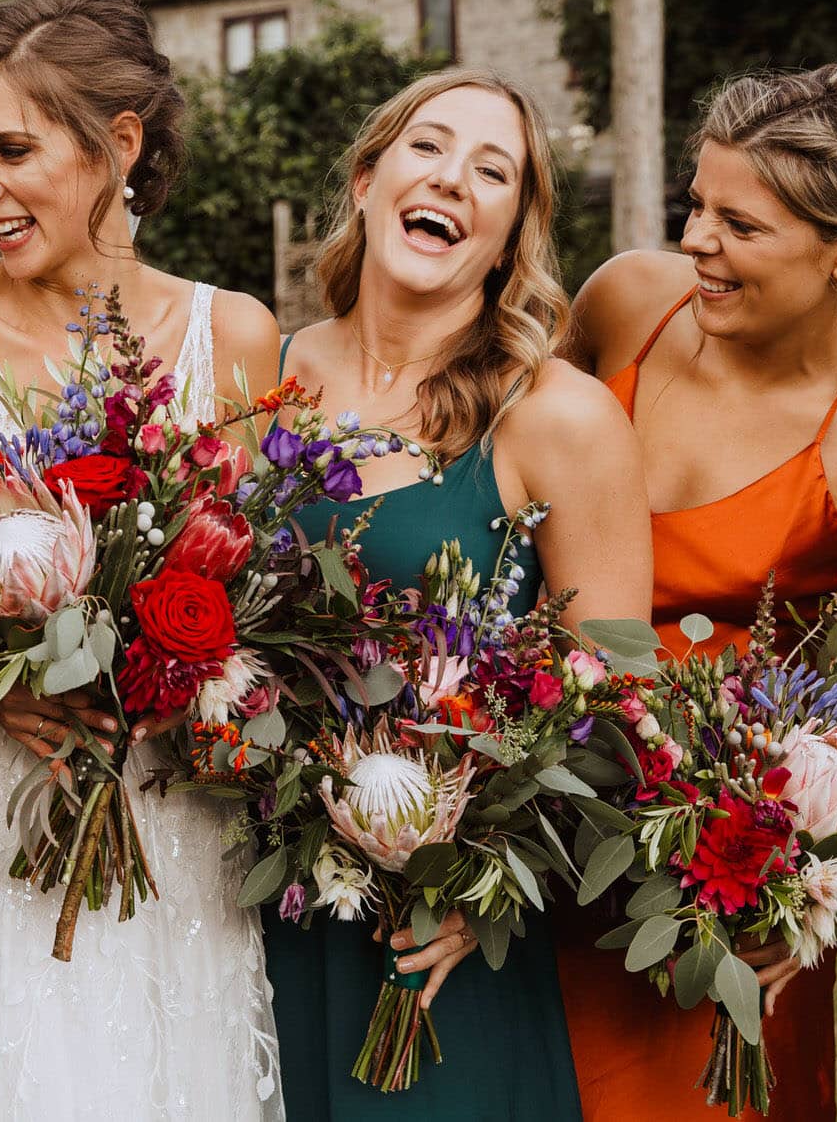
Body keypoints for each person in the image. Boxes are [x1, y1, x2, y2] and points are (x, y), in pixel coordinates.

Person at [0, 0, 287, 1120]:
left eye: (10, 150)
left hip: (169, 817)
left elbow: (250, 574)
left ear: (118, 143)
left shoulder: (228, 333)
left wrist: (192, 675)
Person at [556, 59, 837, 1121]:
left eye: (739, 226)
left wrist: (785, 889)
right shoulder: (624, 303)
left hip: (711, 885)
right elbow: (509, 471)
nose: (695, 240)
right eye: (694, 205)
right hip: (532, 823)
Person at [270, 69, 653, 1119]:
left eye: (493, 171)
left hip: (429, 932)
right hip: (250, 899)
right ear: (365, 180)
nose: (452, 179)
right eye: (427, 147)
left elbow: (614, 701)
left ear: (509, 236)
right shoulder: (261, 369)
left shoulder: (556, 419)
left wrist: (481, 888)